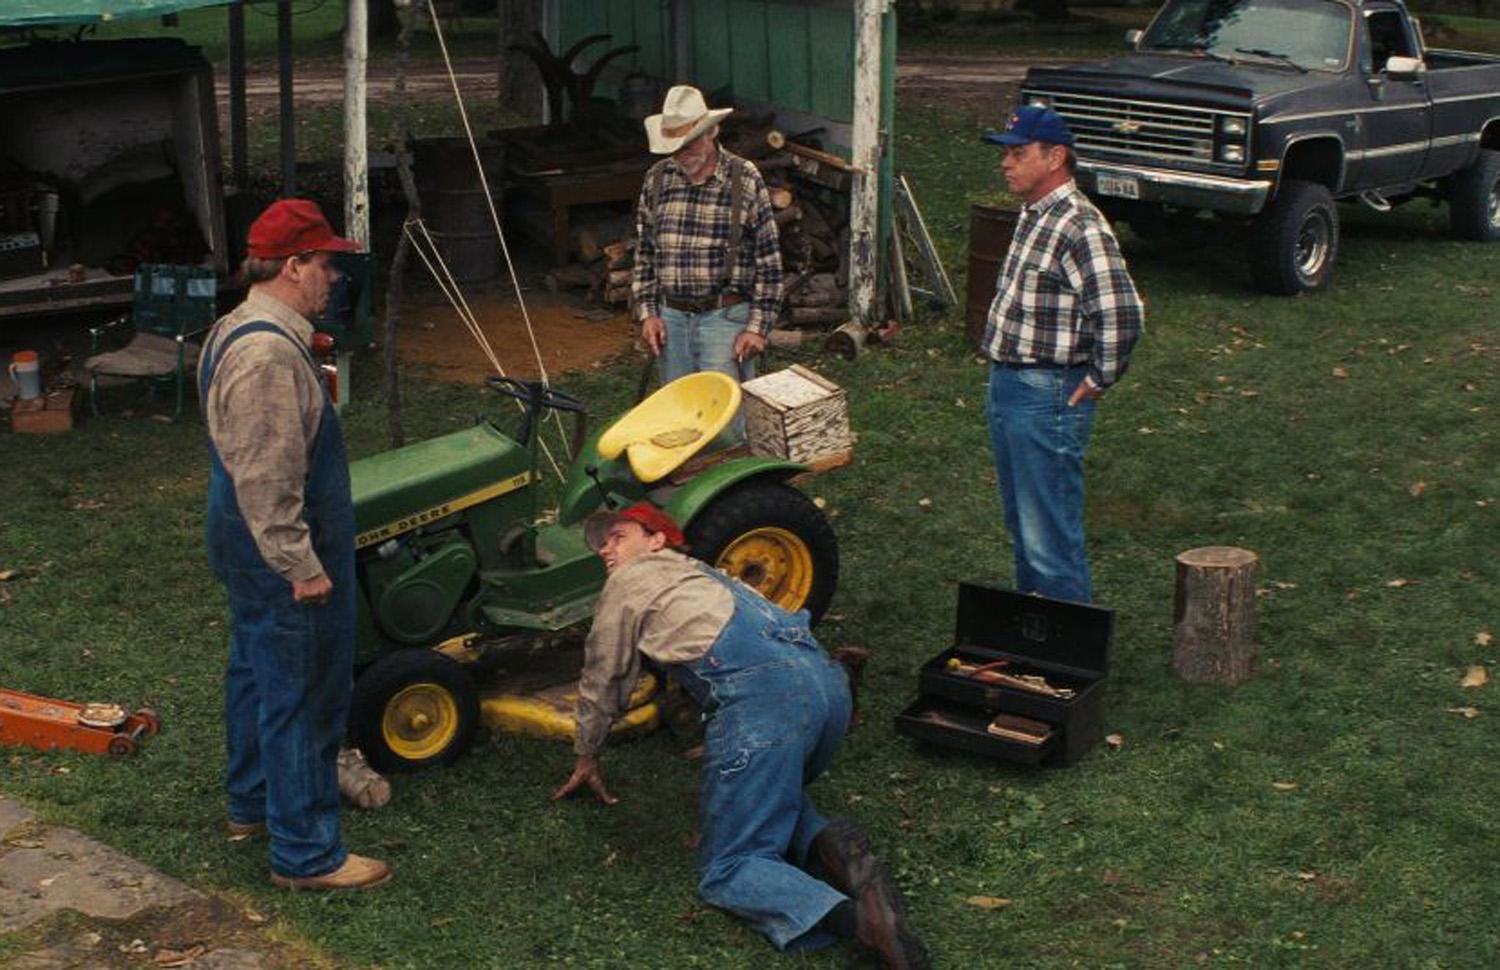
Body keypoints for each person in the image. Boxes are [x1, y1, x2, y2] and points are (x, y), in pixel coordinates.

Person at [553, 502, 929, 969]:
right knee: (768, 792)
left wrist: (587, 753)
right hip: (826, 690)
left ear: (657, 541)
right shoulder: (709, 578)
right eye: (601, 543)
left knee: (729, 868)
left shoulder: (630, 582)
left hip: (765, 707)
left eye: (619, 536)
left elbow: (605, 673)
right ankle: (829, 842)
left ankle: (863, 923)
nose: (606, 549)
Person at [199, 198, 390, 891]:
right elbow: (268, 473)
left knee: (254, 670)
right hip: (275, 544)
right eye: (325, 265)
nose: (333, 278)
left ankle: (251, 804)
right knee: (301, 690)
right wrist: (299, 564)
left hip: (241, 534)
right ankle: (306, 853)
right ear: (292, 266)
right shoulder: (266, 357)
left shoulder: (236, 327)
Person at [980, 106, 1144, 603]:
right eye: (1005, 154)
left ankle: (1069, 652)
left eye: (1018, 154)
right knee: (1023, 523)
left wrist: (1097, 378)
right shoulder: (1036, 215)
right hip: (1009, 386)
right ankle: (1038, 634)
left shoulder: (1078, 225)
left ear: (1056, 157)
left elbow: (1122, 313)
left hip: (1047, 395)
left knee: (1049, 534)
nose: (1006, 164)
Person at [632, 85, 783, 427]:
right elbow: (645, 255)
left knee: (726, 421)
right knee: (680, 421)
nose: (684, 153)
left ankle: (732, 480)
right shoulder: (657, 180)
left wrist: (757, 328)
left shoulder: (744, 179)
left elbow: (770, 264)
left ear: (712, 132)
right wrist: (648, 314)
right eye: (676, 146)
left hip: (725, 320)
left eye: (692, 143)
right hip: (671, 320)